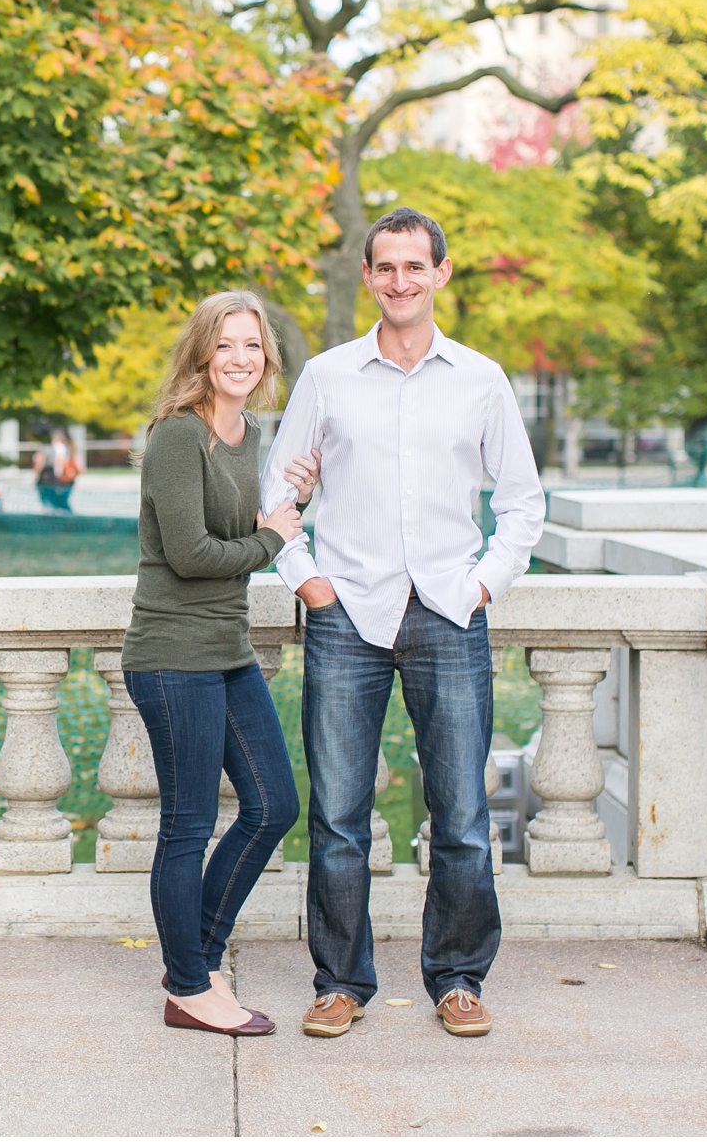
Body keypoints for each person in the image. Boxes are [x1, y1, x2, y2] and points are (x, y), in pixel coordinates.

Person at [260, 207, 543, 1042]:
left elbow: (522, 503)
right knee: (340, 814)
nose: (400, 281)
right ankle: (340, 981)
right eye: (385, 267)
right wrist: (306, 579)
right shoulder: (328, 375)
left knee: (459, 814)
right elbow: (276, 490)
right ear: (369, 276)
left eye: (415, 266)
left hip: (449, 610)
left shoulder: (482, 379)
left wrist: (484, 583)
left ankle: (457, 978)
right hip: (347, 609)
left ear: (441, 273)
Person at [122, 290, 304, 1036]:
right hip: (172, 655)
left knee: (274, 805)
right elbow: (194, 555)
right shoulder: (177, 436)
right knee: (188, 825)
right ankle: (192, 988)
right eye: (226, 344)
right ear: (202, 353)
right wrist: (273, 540)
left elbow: (251, 523)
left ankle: (192, 960)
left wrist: (284, 514)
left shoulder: (248, 431)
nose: (239, 358)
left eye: (252, 346)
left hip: (226, 649)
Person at [33, 429, 78, 511]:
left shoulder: (51, 449)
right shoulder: (66, 448)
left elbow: (40, 463)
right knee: (59, 502)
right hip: (57, 479)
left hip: (50, 479)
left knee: (52, 502)